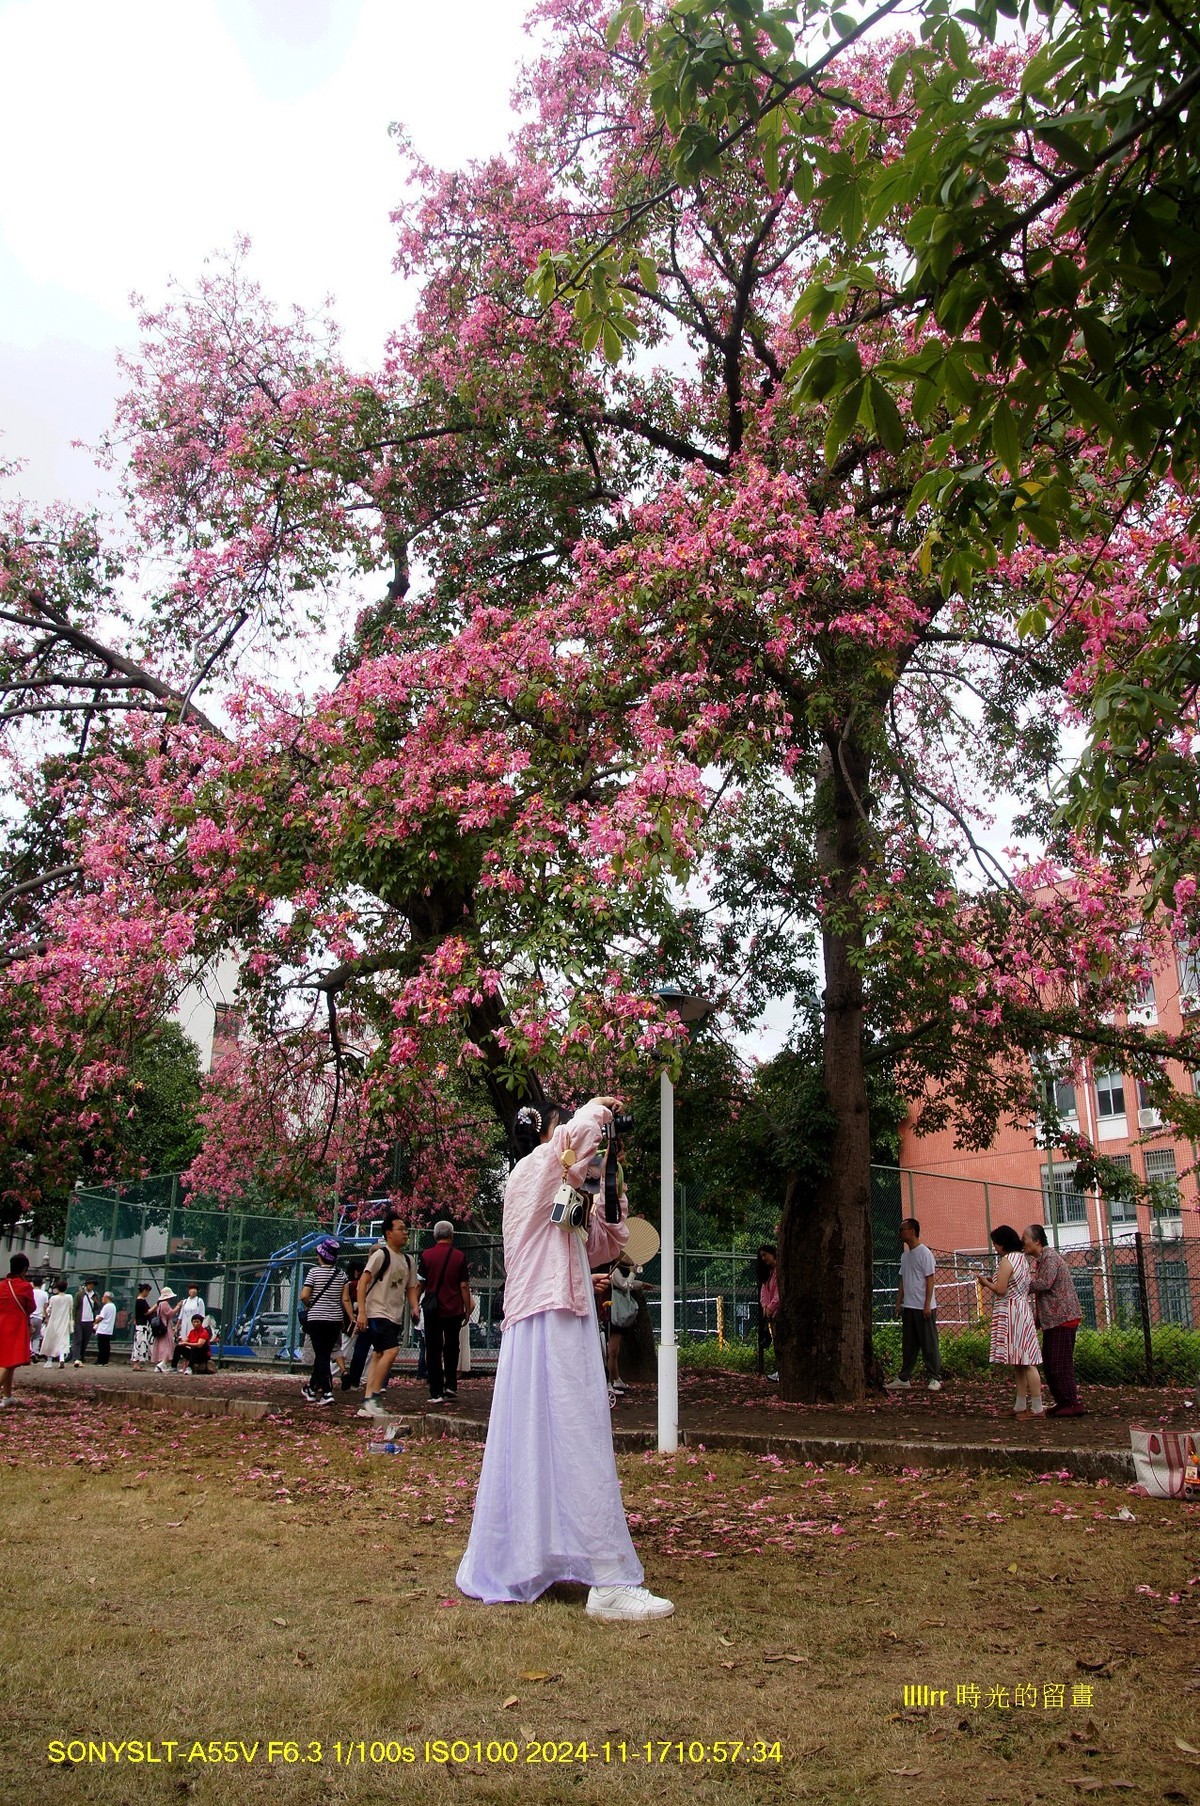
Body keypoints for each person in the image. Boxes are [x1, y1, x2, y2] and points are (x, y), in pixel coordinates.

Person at [456, 1096, 673, 1622]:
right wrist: (594, 1109)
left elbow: (600, 1243)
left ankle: (531, 1560)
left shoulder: (562, 1189)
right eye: (564, 1134)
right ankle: (608, 1581)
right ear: (547, 1136)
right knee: (578, 1434)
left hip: (556, 1317)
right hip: (549, 1319)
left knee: (544, 1440)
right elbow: (572, 1142)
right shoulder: (529, 1174)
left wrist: (612, 1195)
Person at [355, 1210, 419, 1420]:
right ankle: (373, 1396)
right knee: (391, 1351)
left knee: (379, 1354)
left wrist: (414, 1307)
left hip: (394, 1315)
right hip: (377, 1312)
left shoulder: (409, 1261)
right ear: (388, 1233)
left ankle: (367, 1401)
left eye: (406, 1229)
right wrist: (362, 1312)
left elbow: (411, 1287)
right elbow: (363, 1281)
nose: (405, 1233)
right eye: (400, 1229)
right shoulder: (381, 1255)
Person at [980, 1225, 1045, 1416]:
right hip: (1021, 1309)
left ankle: (1037, 1407)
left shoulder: (1008, 1260)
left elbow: (1001, 1289)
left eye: (996, 1244)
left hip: (1012, 1311)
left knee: (1027, 1361)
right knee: (1020, 1360)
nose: (995, 1248)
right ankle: (1021, 1405)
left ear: (1002, 1243)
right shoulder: (1022, 1259)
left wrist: (985, 1283)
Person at [1023, 1224, 1085, 1417]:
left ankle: (1071, 1403)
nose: (1022, 1242)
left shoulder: (1049, 1257)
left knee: (1059, 1363)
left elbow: (1045, 1283)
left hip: (1062, 1318)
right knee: (1051, 1362)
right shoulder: (1042, 1260)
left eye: (1025, 1238)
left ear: (1037, 1241)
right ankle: (1062, 1401)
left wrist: (1020, 1285)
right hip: (1054, 1319)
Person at [419, 1221, 472, 1407]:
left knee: (433, 1349)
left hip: (433, 1309)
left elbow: (421, 1283)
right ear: (452, 1235)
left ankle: (436, 1390)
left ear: (435, 1235)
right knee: (451, 1347)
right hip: (453, 1308)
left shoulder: (426, 1256)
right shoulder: (459, 1257)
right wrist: (467, 1308)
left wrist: (414, 1305)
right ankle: (451, 1384)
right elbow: (463, 1285)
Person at [886, 1218, 942, 1391]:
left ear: (912, 1230)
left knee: (929, 1343)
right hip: (909, 1306)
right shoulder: (905, 1256)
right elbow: (903, 1280)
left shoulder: (924, 1253)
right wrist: (898, 1303)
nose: (900, 1233)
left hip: (923, 1307)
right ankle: (904, 1378)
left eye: (902, 1229)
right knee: (909, 1344)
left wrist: (927, 1305)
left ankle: (935, 1377)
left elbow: (930, 1280)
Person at [299, 1236, 345, 1404]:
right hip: (334, 1319)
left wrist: (310, 1304)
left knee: (322, 1355)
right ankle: (311, 1389)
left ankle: (327, 1392)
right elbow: (344, 1298)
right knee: (323, 1355)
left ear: (321, 1255)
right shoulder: (341, 1275)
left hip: (316, 1318)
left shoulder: (314, 1272)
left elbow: (304, 1295)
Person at [0, 1252, 36, 1406]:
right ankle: (6, 1396)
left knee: (7, 1361)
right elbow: (31, 1307)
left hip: (1, 1324)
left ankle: (7, 1396)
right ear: (24, 1269)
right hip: (15, 1326)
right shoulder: (25, 1286)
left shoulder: (2, 1285)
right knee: (8, 1363)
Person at [607, 1256, 645, 1397]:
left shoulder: (615, 1269)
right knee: (612, 1350)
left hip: (613, 1312)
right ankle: (610, 1382)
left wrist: (640, 1283)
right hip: (612, 1312)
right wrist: (632, 1272)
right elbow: (624, 1285)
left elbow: (626, 1284)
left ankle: (616, 1380)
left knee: (614, 1351)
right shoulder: (613, 1269)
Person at [757, 1246, 779, 1381]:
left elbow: (779, 1293)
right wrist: (765, 1306)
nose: (763, 1258)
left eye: (765, 1255)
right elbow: (764, 1291)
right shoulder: (769, 1273)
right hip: (771, 1312)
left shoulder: (779, 1272)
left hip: (777, 1311)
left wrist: (771, 1306)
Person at [40, 1279, 73, 1365]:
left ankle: (49, 1360)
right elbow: (71, 1309)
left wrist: (45, 1315)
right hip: (64, 1321)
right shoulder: (69, 1297)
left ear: (57, 1288)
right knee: (63, 1340)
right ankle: (61, 1358)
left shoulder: (53, 1298)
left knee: (51, 1340)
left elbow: (48, 1310)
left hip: (54, 1321)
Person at [149, 1287, 178, 1372]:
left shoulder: (159, 1304)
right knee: (168, 1345)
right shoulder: (165, 1303)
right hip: (165, 1326)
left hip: (161, 1325)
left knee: (162, 1344)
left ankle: (162, 1364)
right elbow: (170, 1314)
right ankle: (162, 1363)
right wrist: (178, 1307)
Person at [71, 1278, 97, 1365]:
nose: (91, 1286)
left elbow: (97, 1306)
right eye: (90, 1284)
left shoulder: (95, 1295)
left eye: (93, 1285)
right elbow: (75, 1307)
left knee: (85, 1340)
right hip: (80, 1320)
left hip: (89, 1320)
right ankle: (76, 1357)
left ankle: (82, 1356)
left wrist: (95, 1302)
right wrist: (74, 1319)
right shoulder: (80, 1294)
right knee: (78, 1339)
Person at [130, 1283, 154, 1366]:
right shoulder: (141, 1301)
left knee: (140, 1343)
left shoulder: (140, 1300)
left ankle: (137, 1363)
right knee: (140, 1343)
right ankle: (136, 1363)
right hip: (141, 1325)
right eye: (147, 1291)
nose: (148, 1293)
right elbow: (146, 1312)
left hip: (141, 1324)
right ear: (144, 1291)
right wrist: (155, 1307)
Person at [93, 1292, 117, 1364]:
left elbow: (101, 1317)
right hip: (109, 1329)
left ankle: (100, 1361)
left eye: (103, 1296)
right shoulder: (113, 1306)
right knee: (106, 1346)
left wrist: (95, 1322)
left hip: (103, 1329)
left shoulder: (106, 1306)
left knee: (101, 1346)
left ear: (107, 1297)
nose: (102, 1298)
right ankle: (105, 1360)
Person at [29, 1273, 48, 1358]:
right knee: (37, 1336)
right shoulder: (44, 1294)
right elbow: (45, 1307)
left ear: (33, 1283)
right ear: (42, 1284)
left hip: (29, 1316)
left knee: (28, 1336)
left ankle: (28, 1351)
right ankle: (35, 1351)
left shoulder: (30, 1292)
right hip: (39, 1317)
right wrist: (46, 1317)